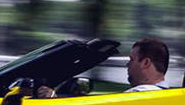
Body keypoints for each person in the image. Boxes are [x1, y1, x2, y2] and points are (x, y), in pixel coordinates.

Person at [35, 38, 169, 98]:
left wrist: (53, 99)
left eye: (131, 60)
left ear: (145, 63)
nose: (127, 64)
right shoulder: (165, 96)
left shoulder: (139, 96)